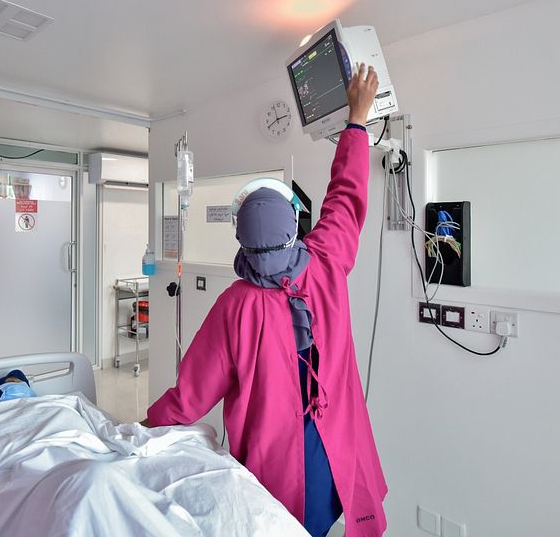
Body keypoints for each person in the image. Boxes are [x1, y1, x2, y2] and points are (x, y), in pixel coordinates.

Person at [147, 63, 387, 537]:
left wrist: (139, 430)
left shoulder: (235, 306)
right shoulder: (326, 263)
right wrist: (356, 120)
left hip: (273, 475)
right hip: (334, 454)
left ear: (242, 242)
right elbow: (346, 196)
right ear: (294, 226)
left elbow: (190, 395)